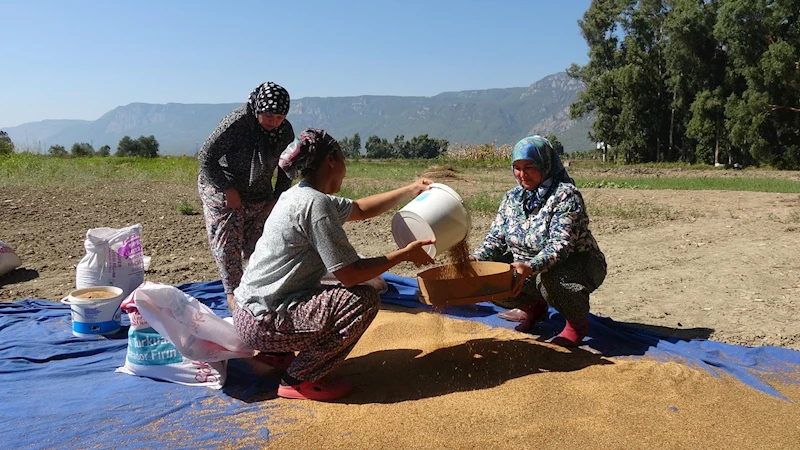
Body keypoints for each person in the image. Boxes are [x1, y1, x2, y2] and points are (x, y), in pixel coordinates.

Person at [233, 128, 435, 401]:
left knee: (325, 290)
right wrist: (404, 255)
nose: (344, 165)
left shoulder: (299, 194)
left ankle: (278, 354)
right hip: (264, 321)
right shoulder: (316, 205)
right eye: (342, 156)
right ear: (331, 160)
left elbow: (360, 209)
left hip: (248, 311)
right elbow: (350, 274)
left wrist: (411, 189)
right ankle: (299, 378)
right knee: (361, 300)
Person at [472, 135, 607, 347]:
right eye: (517, 167)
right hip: (528, 266)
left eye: (529, 167)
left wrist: (531, 266)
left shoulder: (565, 196)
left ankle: (576, 324)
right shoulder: (512, 198)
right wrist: (474, 261)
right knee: (489, 279)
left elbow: (560, 245)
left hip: (577, 264)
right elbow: (495, 238)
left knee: (552, 280)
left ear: (545, 164)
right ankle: (534, 308)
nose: (522, 175)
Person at [197, 82, 295, 310]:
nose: (274, 122)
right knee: (229, 236)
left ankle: (256, 288)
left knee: (260, 241)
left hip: (258, 189)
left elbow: (287, 166)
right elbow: (206, 157)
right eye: (269, 116)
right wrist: (227, 189)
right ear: (258, 109)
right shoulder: (237, 123)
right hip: (222, 184)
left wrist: (277, 197)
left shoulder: (284, 131)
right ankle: (233, 296)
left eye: (280, 117)